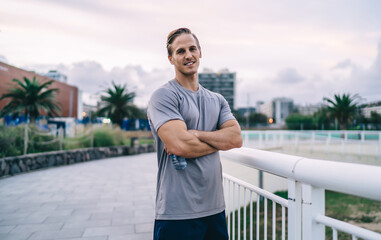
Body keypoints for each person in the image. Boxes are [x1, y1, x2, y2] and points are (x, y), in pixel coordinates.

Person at [147, 27, 243, 240]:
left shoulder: (217, 100)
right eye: (180, 51)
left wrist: (195, 134)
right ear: (171, 58)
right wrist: (219, 140)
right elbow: (180, 145)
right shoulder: (163, 96)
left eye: (192, 49)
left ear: (200, 52)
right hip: (177, 213)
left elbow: (235, 139)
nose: (188, 55)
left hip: (215, 209)